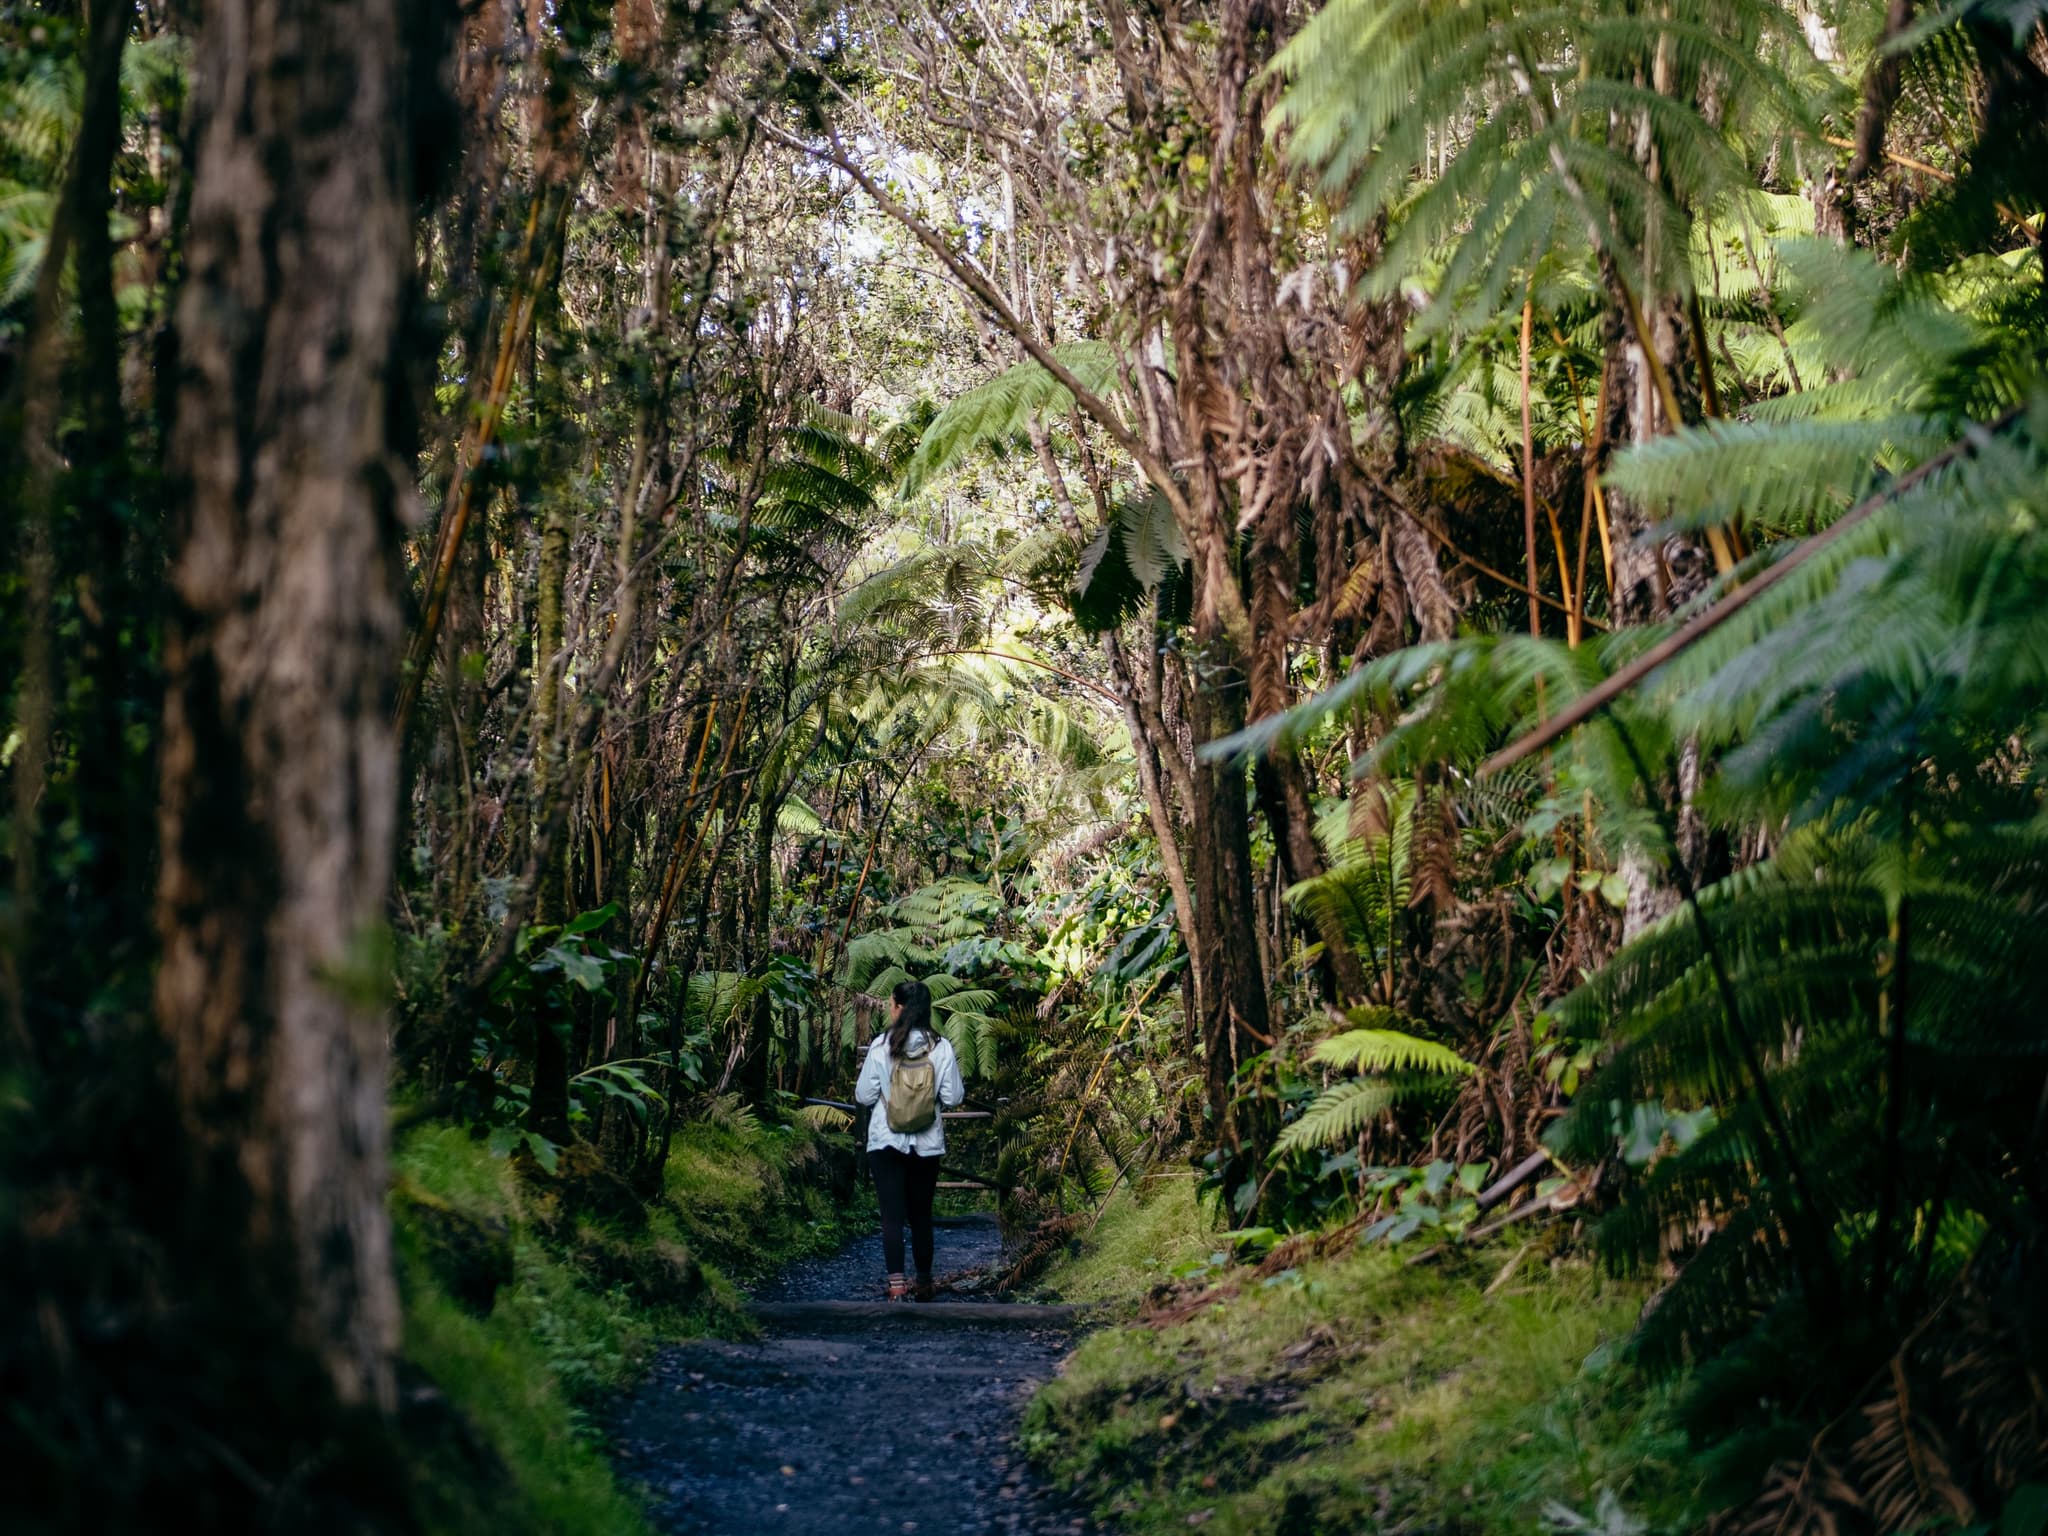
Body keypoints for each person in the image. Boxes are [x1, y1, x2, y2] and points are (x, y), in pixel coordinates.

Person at [853, 978, 966, 1301]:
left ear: (900, 1008)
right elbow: (954, 1096)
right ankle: (925, 1283)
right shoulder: (941, 1047)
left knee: (891, 1217)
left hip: (885, 1141)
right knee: (920, 1215)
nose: (889, 1009)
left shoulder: (881, 1046)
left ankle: (897, 1286)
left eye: (891, 1004)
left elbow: (863, 1095)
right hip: (927, 1143)